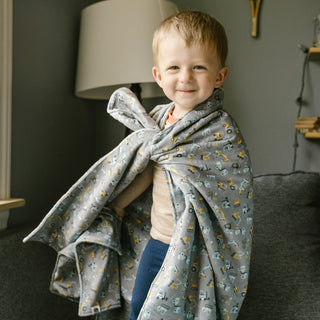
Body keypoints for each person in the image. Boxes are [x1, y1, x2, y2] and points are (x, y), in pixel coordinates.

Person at [108, 11, 233, 320]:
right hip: (158, 240)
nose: (186, 77)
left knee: (188, 312)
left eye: (199, 67)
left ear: (220, 76)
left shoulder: (220, 131)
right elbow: (148, 170)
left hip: (196, 248)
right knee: (141, 307)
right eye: (174, 67)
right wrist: (118, 205)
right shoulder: (158, 121)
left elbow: (229, 193)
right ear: (159, 75)